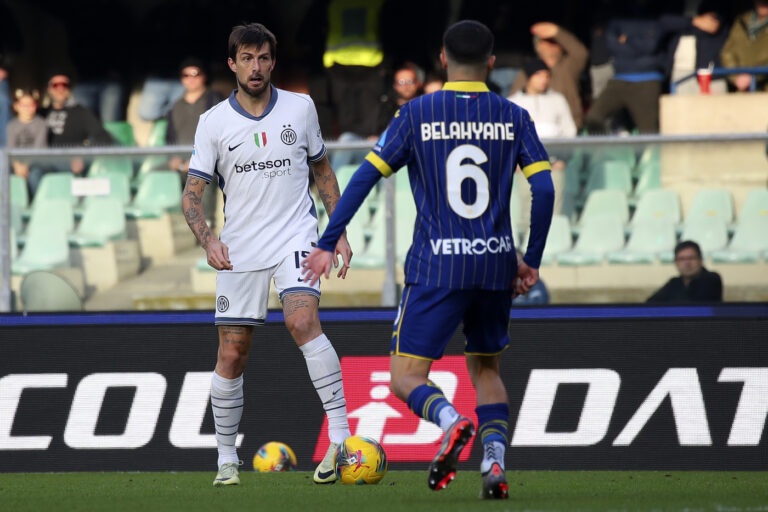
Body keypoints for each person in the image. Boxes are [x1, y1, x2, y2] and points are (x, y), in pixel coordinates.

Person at [303, 20, 555, 499]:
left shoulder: (417, 114)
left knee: (406, 377)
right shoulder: (514, 116)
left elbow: (363, 179)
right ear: (492, 64)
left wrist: (327, 239)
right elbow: (542, 187)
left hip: (437, 266)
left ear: (443, 59)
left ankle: (450, 420)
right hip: (496, 262)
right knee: (487, 370)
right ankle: (494, 466)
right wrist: (531, 259)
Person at [181, 23, 353, 488]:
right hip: (240, 249)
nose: (255, 67)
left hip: (296, 236)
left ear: (272, 62)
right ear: (232, 63)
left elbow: (322, 171)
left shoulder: (301, 107)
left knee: (302, 322)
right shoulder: (213, 121)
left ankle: (341, 439)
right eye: (246, 58)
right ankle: (225, 460)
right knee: (232, 353)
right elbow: (192, 196)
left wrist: (336, 231)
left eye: (263, 58)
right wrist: (208, 239)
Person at [509, 58, 575, 233]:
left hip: (554, 163)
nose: (544, 80)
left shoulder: (558, 100)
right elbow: (509, 136)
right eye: (539, 75)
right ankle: (527, 252)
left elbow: (569, 131)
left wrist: (563, 158)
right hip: (526, 166)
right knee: (527, 208)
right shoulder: (513, 102)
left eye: (546, 76)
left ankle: (552, 248)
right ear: (529, 77)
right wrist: (514, 161)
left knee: (554, 209)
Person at [167, 58, 224, 230]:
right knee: (155, 174)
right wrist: (173, 158)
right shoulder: (175, 106)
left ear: (204, 76)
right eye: (186, 75)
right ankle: (180, 226)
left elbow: (221, 133)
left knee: (205, 176)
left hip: (209, 161)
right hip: (181, 163)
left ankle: (206, 225)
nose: (191, 78)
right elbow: (169, 139)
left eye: (195, 74)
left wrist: (199, 159)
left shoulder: (215, 100)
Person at [508, 22, 588, 129]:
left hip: (569, 130)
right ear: (538, 46)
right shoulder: (528, 71)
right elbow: (515, 101)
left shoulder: (569, 67)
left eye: (554, 42)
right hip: (535, 132)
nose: (550, 45)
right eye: (546, 41)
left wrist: (557, 33)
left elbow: (581, 53)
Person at [40, 72, 113, 175]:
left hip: (69, 161)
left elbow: (105, 139)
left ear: (69, 89)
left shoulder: (81, 112)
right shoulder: (40, 114)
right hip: (41, 161)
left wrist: (82, 154)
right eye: (56, 85)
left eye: (64, 85)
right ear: (49, 89)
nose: (60, 89)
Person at [647, 241, 723, 302]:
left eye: (691, 258)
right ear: (676, 263)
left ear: (700, 260)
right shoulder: (674, 283)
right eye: (682, 259)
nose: (687, 263)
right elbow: (651, 304)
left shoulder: (712, 279)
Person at [720, 0, 768, 92]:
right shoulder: (742, 21)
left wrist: (755, 76)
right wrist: (735, 77)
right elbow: (728, 52)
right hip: (743, 89)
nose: (763, 5)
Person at [6, 88, 47, 195]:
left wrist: (25, 166)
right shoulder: (11, 126)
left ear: (35, 106)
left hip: (35, 162)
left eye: (30, 105)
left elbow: (39, 149)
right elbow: (10, 148)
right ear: (16, 106)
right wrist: (17, 166)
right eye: (24, 105)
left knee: (34, 176)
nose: (27, 108)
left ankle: (35, 204)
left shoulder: (41, 124)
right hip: (16, 163)